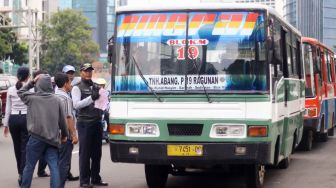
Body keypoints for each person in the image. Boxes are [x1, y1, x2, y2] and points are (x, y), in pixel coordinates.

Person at [18, 74, 68, 188]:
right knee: (54, 167)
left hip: (36, 138)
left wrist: (32, 82)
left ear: (38, 85)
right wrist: (65, 135)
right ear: (50, 85)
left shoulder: (32, 98)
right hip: (52, 139)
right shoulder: (57, 100)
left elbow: (20, 92)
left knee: (29, 166)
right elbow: (62, 121)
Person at [72, 63, 108, 188]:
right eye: (86, 71)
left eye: (90, 71)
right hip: (85, 123)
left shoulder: (96, 86)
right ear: (81, 72)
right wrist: (91, 99)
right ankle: (84, 181)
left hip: (97, 122)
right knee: (85, 153)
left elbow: (102, 102)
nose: (88, 73)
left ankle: (96, 178)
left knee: (97, 154)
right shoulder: (77, 87)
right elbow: (76, 105)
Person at [3, 67, 30, 186]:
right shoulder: (30, 88)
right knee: (25, 148)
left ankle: (20, 172)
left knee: (17, 148)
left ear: (17, 76)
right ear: (28, 76)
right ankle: (23, 173)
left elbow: (8, 108)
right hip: (25, 119)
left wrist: (5, 124)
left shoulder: (10, 89)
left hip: (13, 120)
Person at [54, 73, 79, 188]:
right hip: (64, 135)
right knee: (64, 163)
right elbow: (69, 118)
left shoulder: (53, 96)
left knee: (55, 163)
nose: (71, 84)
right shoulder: (66, 98)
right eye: (69, 82)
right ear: (65, 84)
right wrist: (73, 135)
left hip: (53, 134)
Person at [61, 65, 80, 181]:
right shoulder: (60, 90)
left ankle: (66, 172)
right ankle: (62, 174)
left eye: (72, 73)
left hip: (72, 120)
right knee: (64, 149)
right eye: (68, 73)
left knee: (68, 149)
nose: (71, 75)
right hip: (64, 123)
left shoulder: (73, 88)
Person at [32, 70, 50, 178]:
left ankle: (39, 170)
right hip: (38, 123)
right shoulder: (40, 91)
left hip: (33, 123)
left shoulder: (32, 89)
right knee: (43, 149)